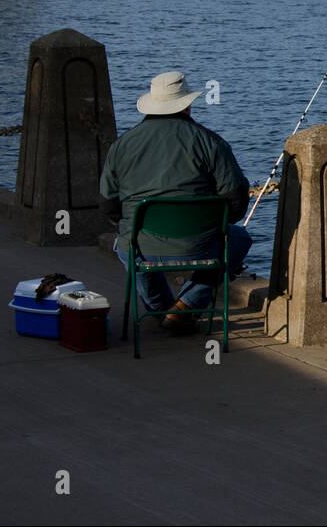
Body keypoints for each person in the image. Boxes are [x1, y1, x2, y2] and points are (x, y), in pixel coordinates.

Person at [100, 71, 252, 336]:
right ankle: (184, 308)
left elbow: (107, 205)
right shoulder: (211, 142)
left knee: (123, 245)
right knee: (238, 239)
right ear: (187, 104)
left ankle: (162, 309)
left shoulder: (121, 145)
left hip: (141, 242)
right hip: (198, 243)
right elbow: (235, 200)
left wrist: (129, 227)